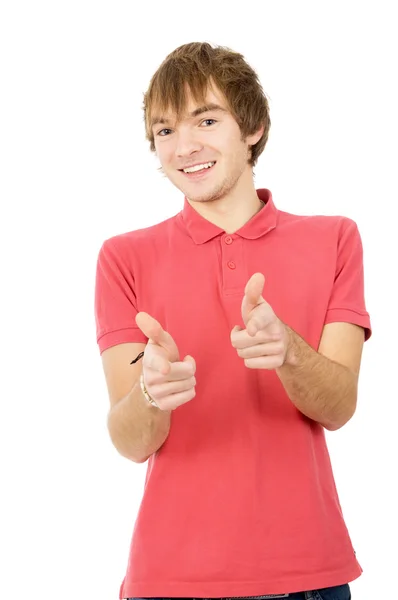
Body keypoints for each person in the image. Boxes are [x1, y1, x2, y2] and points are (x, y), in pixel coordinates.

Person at [94, 42, 371, 600]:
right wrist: (150, 393)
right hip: (170, 580)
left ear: (253, 127)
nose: (184, 146)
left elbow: (339, 406)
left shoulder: (334, 239)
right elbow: (129, 441)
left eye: (206, 119)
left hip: (308, 577)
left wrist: (290, 351)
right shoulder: (123, 258)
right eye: (165, 130)